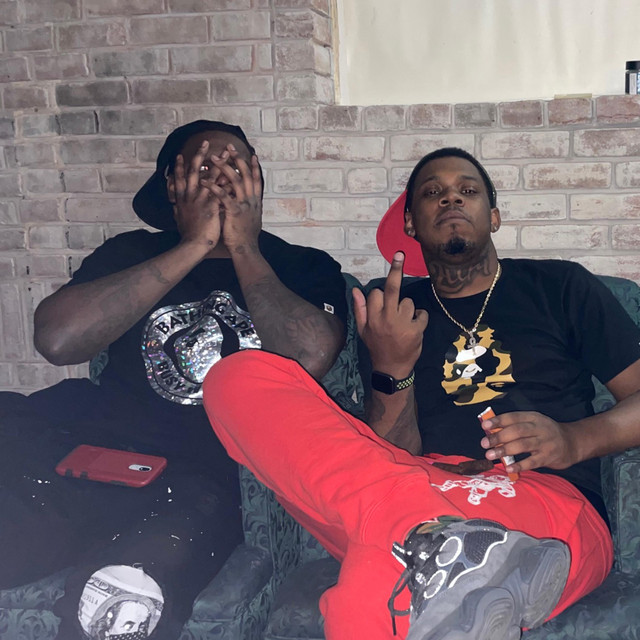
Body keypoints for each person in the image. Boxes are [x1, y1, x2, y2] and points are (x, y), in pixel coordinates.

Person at [200, 147, 640, 640]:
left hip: (538, 496)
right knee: (236, 377)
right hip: (411, 480)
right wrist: (392, 367)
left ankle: (441, 542)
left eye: (468, 190)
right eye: (433, 192)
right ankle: (449, 547)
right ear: (410, 222)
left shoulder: (560, 286)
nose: (452, 198)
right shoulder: (389, 310)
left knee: (371, 590)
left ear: (494, 216)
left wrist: (573, 440)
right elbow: (392, 449)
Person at [0, 120, 347, 640]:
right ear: (171, 186)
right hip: (85, 450)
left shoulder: (300, 265)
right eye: (204, 167)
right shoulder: (130, 253)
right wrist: (193, 245)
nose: (221, 178)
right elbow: (58, 341)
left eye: (236, 166)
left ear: (257, 182)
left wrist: (243, 248)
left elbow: (309, 355)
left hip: (197, 478)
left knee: (124, 599)